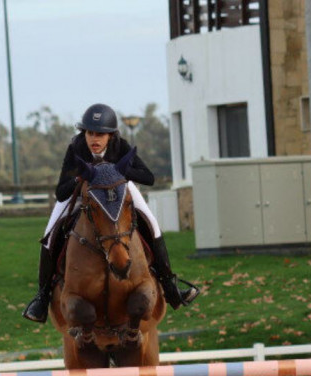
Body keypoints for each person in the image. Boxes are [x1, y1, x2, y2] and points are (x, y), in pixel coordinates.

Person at [22, 103, 199, 323]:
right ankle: (43, 296)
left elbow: (148, 177)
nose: (94, 139)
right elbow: (61, 192)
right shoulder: (76, 147)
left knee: (152, 224)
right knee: (49, 234)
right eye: (90, 133)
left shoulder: (120, 146)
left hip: (117, 190)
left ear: (111, 136)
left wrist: (121, 171)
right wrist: (81, 177)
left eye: (100, 134)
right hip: (84, 194)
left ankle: (170, 286)